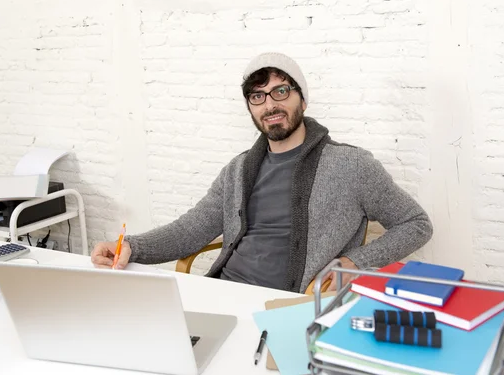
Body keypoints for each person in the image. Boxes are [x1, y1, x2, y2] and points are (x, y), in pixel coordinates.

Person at [91, 52, 433, 293]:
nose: (270, 104)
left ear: (302, 99)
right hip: (224, 291)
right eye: (258, 96)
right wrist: (131, 247)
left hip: (291, 302)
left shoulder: (350, 166)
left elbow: (416, 223)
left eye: (280, 91)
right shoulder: (238, 170)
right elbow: (193, 229)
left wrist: (354, 261)